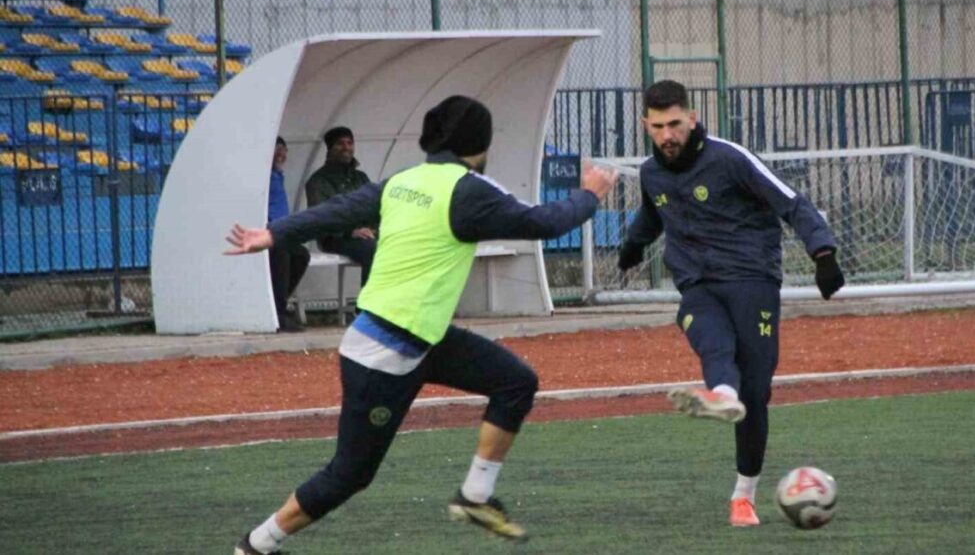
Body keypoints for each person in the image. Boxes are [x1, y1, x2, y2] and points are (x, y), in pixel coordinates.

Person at [226, 96, 618, 554]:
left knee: (516, 382)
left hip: (422, 339)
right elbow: (545, 222)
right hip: (383, 354)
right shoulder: (469, 190)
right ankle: (256, 545)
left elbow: (337, 212)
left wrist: (274, 233)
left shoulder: (403, 182)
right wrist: (588, 194)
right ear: (480, 142)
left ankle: (474, 497)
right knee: (350, 475)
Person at [617, 80, 845, 528]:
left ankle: (744, 494)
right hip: (697, 284)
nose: (668, 135)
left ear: (693, 118)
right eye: (658, 126)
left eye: (676, 124)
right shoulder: (651, 172)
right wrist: (632, 245)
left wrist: (824, 254)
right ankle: (720, 393)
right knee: (706, 332)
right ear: (646, 125)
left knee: (756, 394)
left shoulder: (729, 158)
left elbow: (792, 203)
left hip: (751, 280)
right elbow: (652, 212)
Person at [305, 126, 376, 286]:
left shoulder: (360, 177)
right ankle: (367, 308)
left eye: (350, 143)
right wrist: (351, 232)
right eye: (340, 143)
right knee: (373, 250)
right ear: (330, 148)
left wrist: (374, 228)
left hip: (365, 234)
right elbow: (321, 219)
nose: (346, 148)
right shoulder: (318, 181)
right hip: (335, 238)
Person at [268, 136, 310, 333]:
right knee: (281, 253)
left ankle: (279, 302)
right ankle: (277, 312)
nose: (281, 154)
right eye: (276, 149)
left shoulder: (277, 175)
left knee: (301, 255)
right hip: (265, 234)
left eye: (283, 149)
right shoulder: (262, 176)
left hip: (279, 233)